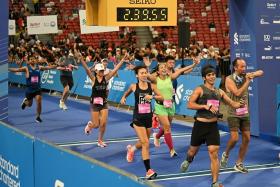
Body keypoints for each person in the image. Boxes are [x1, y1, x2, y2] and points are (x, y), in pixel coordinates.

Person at [179, 65, 242, 187]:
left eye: (213, 74)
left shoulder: (220, 91)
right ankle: (188, 160)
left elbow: (232, 103)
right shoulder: (199, 89)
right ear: (204, 78)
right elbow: (190, 105)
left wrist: (239, 104)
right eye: (209, 75)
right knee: (192, 151)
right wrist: (204, 106)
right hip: (200, 125)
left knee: (214, 153)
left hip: (213, 126)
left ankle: (215, 182)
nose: (212, 76)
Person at [148, 56, 199, 157]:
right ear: (157, 71)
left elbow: (181, 70)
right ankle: (171, 150)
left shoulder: (171, 77)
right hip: (160, 106)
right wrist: (146, 66)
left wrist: (194, 64)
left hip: (171, 105)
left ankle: (157, 136)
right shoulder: (155, 79)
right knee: (167, 128)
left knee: (167, 126)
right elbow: (146, 76)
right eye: (161, 68)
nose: (163, 69)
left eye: (164, 68)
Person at [220, 58, 264, 173]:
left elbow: (261, 72)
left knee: (247, 138)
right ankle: (226, 153)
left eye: (245, 66)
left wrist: (253, 74)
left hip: (244, 113)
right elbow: (238, 93)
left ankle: (238, 163)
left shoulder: (246, 75)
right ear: (235, 68)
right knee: (234, 138)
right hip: (232, 112)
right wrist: (248, 81)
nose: (244, 68)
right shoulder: (229, 79)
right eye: (242, 67)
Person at [120, 65, 163, 180]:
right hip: (137, 118)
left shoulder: (152, 86)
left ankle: (131, 149)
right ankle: (148, 171)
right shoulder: (134, 86)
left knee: (144, 142)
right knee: (145, 143)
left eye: (145, 72)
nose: (144, 75)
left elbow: (162, 97)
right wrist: (123, 97)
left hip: (148, 118)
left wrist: (152, 96)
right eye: (142, 73)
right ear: (137, 75)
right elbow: (127, 92)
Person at [81, 54, 128, 147]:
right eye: (100, 70)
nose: (102, 72)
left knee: (103, 123)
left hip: (104, 103)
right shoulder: (93, 79)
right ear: (96, 71)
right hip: (94, 103)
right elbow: (87, 70)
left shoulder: (106, 79)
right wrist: (81, 59)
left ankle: (100, 140)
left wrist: (122, 60)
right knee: (96, 125)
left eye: (103, 70)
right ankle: (90, 125)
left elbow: (114, 71)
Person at [8, 55, 56, 122]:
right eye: (31, 59)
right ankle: (25, 103)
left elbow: (47, 67)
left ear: (35, 60)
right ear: (29, 61)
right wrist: (7, 68)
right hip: (29, 90)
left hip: (37, 89)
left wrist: (54, 66)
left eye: (33, 59)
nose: (32, 60)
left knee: (39, 101)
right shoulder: (26, 68)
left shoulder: (39, 67)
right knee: (30, 105)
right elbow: (17, 69)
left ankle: (38, 117)